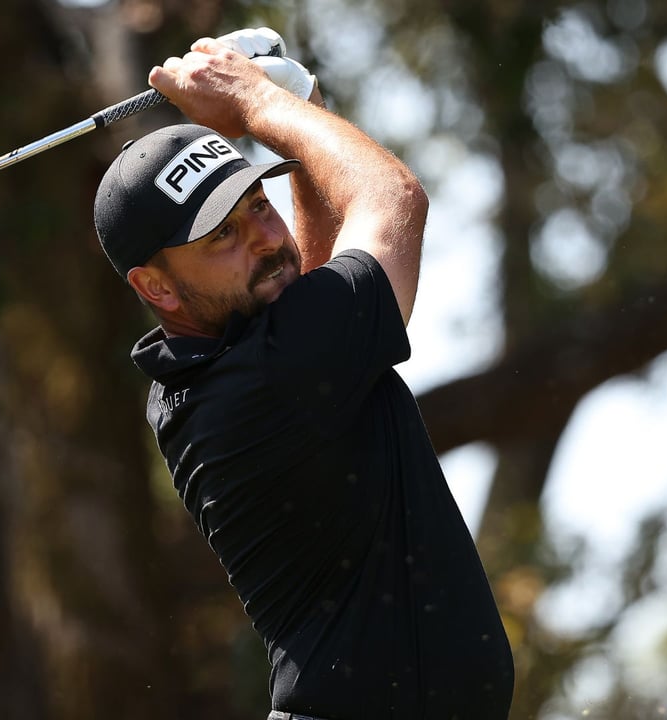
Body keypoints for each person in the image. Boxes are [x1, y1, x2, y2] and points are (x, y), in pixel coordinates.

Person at [92, 29, 515, 719]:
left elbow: (313, 287)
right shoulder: (251, 391)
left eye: (258, 204)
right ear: (157, 287)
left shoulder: (225, 367)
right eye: (221, 234)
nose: (262, 236)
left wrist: (300, 99)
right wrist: (256, 99)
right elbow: (394, 200)